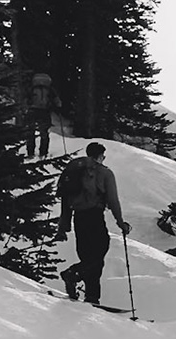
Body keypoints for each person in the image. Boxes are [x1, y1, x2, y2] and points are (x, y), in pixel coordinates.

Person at [57, 142, 129, 304]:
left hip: (79, 218)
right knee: (100, 250)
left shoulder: (75, 171)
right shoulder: (104, 173)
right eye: (103, 156)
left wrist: (63, 226)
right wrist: (120, 222)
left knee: (88, 256)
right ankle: (73, 274)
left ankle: (92, 297)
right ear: (100, 156)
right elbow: (113, 200)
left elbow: (65, 200)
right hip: (95, 217)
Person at [25, 70, 57, 159]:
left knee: (30, 132)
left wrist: (26, 106)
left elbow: (26, 98)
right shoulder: (49, 89)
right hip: (44, 111)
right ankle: (43, 153)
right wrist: (57, 104)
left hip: (32, 110)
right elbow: (55, 99)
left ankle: (30, 152)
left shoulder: (32, 88)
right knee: (44, 132)